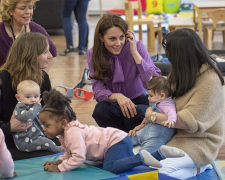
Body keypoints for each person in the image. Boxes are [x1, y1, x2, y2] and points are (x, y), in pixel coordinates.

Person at [130, 28, 225, 179]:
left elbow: (188, 122)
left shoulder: (210, 81)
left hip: (199, 142)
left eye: (170, 52)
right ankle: (196, 168)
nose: (168, 55)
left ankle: (200, 166)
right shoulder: (183, 70)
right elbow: (164, 95)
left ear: (181, 54)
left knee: (157, 171)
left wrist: (152, 116)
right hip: (173, 135)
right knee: (136, 159)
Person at [39, 89, 185, 173]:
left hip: (116, 142)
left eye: (46, 125)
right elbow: (70, 152)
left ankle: (141, 157)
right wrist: (60, 161)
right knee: (124, 163)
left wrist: (61, 168)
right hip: (116, 142)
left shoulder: (72, 132)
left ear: (63, 123)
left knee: (110, 168)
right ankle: (160, 154)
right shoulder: (65, 132)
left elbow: (79, 157)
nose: (43, 129)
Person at [87, 14, 161, 133]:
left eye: (121, 37)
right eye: (112, 39)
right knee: (100, 111)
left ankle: (127, 134)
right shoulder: (93, 54)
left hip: (139, 102)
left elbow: (152, 81)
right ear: (101, 37)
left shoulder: (137, 46)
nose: (118, 43)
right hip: (114, 103)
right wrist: (117, 96)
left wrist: (134, 53)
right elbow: (98, 89)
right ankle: (120, 137)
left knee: (142, 114)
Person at [0, 32, 60, 160]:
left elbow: (52, 110)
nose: (50, 56)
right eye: (45, 52)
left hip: (39, 136)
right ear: (31, 56)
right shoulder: (2, 80)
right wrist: (9, 127)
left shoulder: (43, 77)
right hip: (8, 140)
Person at [0, 0, 57, 72]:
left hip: (29, 81)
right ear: (10, 10)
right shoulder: (1, 32)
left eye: (30, 7)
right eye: (22, 8)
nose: (28, 12)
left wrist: (40, 77)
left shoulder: (37, 30)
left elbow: (53, 55)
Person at [129, 76, 176, 153]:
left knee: (146, 152)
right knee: (130, 137)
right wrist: (141, 125)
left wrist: (171, 120)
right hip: (146, 130)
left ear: (162, 96)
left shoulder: (167, 104)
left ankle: (138, 159)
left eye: (151, 96)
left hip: (157, 136)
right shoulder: (156, 101)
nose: (148, 98)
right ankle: (119, 146)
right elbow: (147, 118)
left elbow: (171, 112)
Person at [13, 80, 61, 153]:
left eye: (36, 96)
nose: (33, 100)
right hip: (27, 142)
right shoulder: (20, 107)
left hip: (36, 136)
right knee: (46, 142)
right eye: (28, 97)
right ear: (18, 98)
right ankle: (58, 149)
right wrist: (37, 106)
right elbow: (28, 117)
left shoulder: (33, 106)